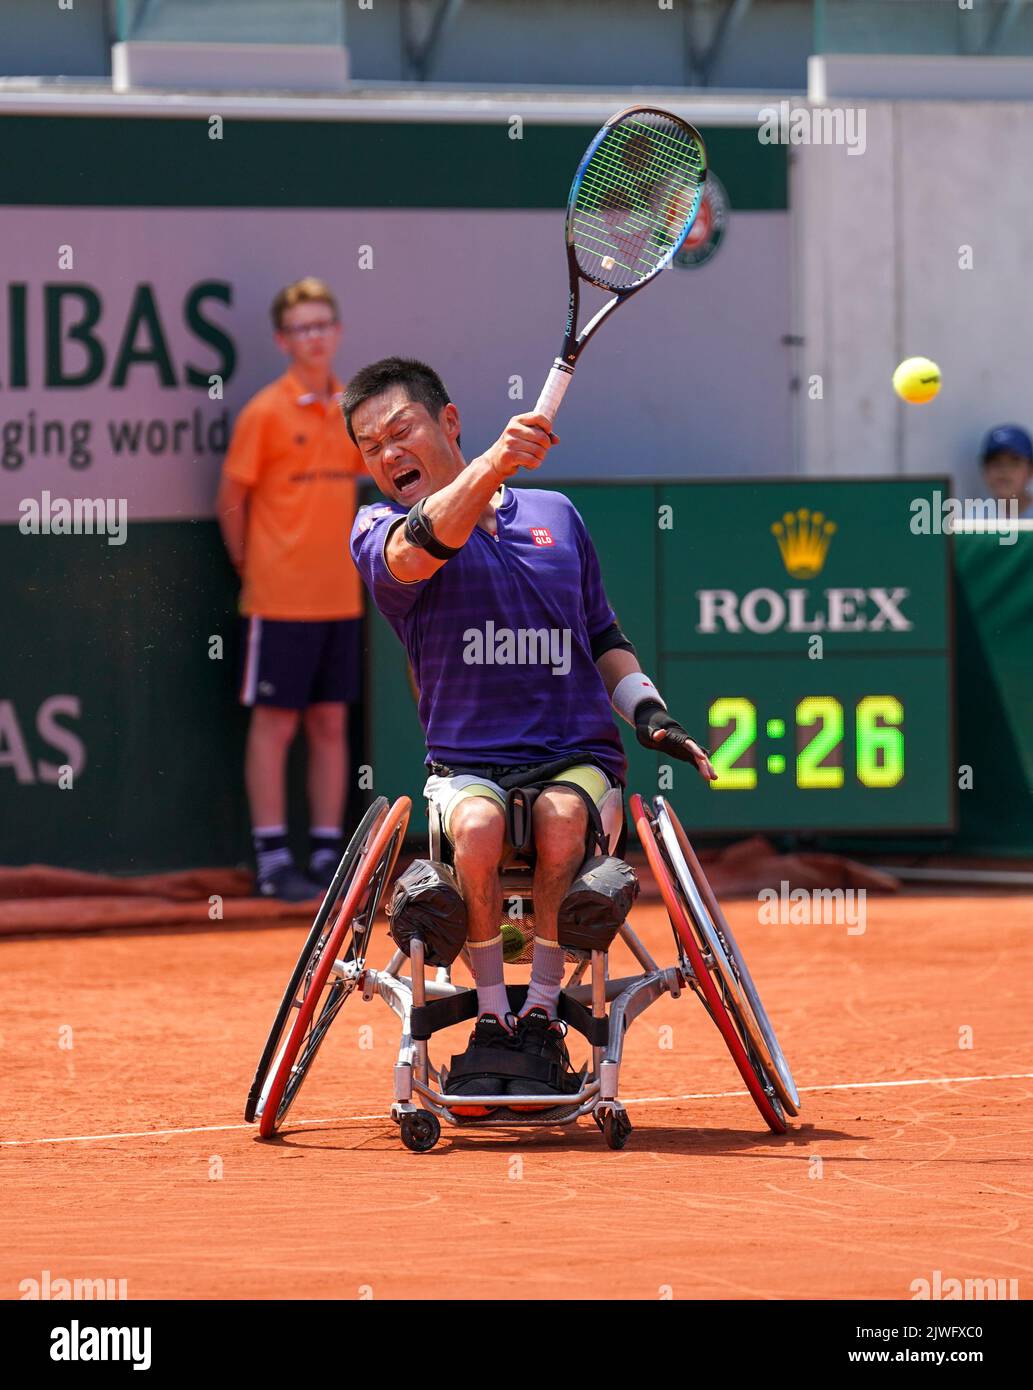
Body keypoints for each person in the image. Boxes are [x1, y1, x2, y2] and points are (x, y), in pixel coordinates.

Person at [345, 357, 715, 1099]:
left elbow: (604, 635)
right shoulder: (377, 530)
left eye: (399, 430)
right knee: (477, 831)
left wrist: (650, 715)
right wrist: (490, 464)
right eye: (367, 446)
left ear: (446, 421)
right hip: (466, 766)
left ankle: (542, 1014)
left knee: (557, 819)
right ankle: (491, 1019)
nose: (386, 454)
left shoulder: (556, 517)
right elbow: (422, 546)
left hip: (574, 758)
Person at [217, 279, 365, 902]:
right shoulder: (263, 412)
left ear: (336, 332)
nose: (315, 336)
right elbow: (231, 501)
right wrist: (257, 570)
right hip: (278, 601)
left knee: (331, 724)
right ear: (283, 339)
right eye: (303, 327)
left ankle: (330, 855)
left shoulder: (355, 407)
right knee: (276, 724)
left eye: (324, 324)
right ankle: (273, 858)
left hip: (343, 598)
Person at [980, 424, 1033, 520]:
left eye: (1014, 462)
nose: (1004, 470)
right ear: (985, 469)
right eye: (996, 462)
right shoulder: (973, 521)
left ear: (1030, 470)